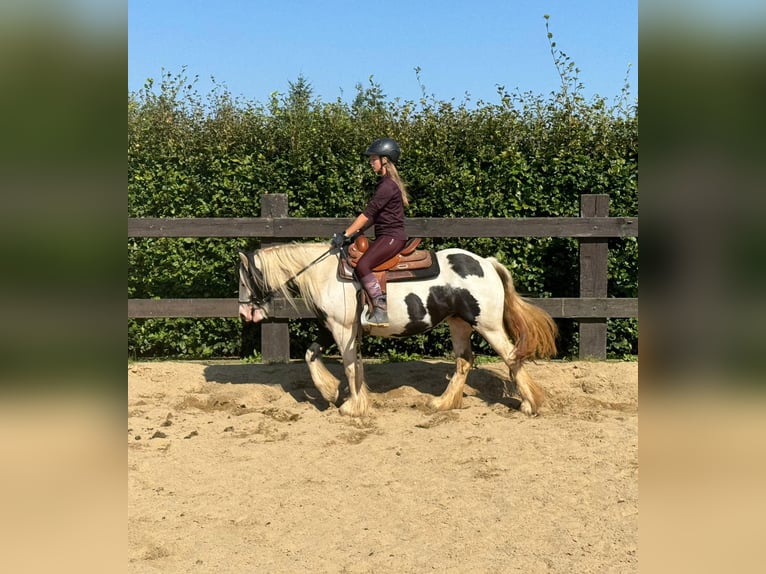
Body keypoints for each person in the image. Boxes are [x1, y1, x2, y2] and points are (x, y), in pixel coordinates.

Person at [331, 137, 410, 327]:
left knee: (363, 265)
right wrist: (359, 231)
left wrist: (346, 233)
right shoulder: (386, 184)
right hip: (386, 236)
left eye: (374, 158)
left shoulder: (387, 186)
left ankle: (381, 308)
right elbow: (375, 217)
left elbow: (368, 213)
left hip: (392, 237)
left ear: (385, 160)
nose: (370, 162)